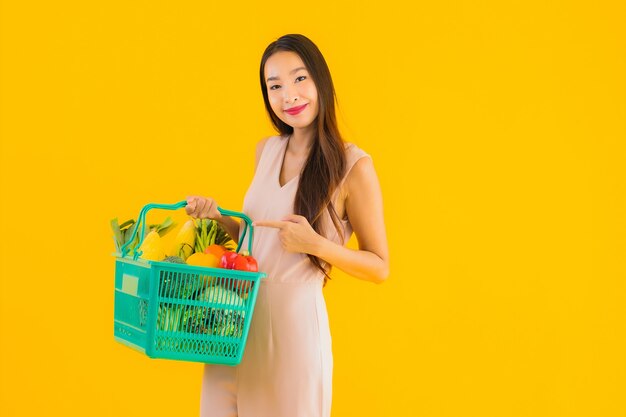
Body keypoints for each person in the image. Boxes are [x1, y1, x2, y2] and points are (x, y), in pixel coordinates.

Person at [186, 33, 389, 417]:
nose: (288, 96)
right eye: (274, 86)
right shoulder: (266, 150)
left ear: (320, 81)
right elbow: (258, 238)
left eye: (299, 79)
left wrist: (317, 245)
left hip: (292, 335)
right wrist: (218, 216)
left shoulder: (353, 166)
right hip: (233, 326)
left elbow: (380, 266)